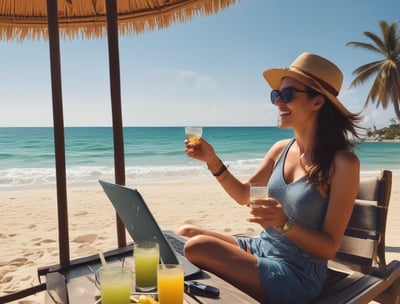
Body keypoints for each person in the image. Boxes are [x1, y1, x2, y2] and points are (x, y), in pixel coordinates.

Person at [177, 52, 362, 303]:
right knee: (184, 232)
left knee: (196, 247)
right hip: (262, 249)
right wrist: (212, 160)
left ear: (317, 102)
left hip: (298, 273)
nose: (277, 103)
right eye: (276, 95)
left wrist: (284, 222)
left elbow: (328, 247)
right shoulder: (280, 149)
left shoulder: (343, 164)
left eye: (287, 95)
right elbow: (244, 195)